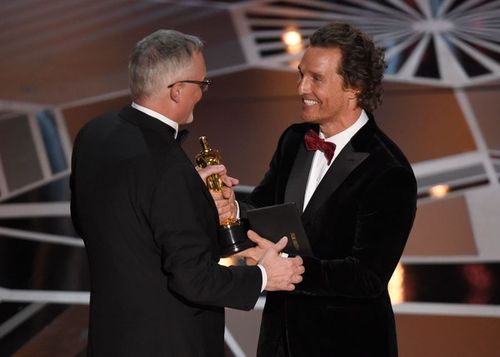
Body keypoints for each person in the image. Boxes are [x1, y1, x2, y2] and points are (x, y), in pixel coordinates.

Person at [70, 29, 304, 357]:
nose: (203, 93)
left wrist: (192, 199)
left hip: (111, 339)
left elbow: (107, 223)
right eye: (201, 84)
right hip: (171, 344)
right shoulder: (167, 166)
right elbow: (194, 281)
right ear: (178, 91)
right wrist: (264, 276)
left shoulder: (93, 134)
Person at [214, 23, 417, 356]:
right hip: (280, 340)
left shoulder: (389, 171)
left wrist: (289, 269)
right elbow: (265, 210)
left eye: (316, 79)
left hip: (347, 344)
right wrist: (232, 208)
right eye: (300, 75)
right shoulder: (295, 139)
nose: (301, 88)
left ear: (355, 87)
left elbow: (366, 276)